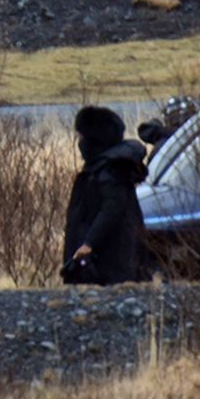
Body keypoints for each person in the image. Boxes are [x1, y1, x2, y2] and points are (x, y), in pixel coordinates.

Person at [62, 105, 149, 286]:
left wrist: (89, 243)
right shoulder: (108, 167)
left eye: (82, 137)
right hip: (107, 255)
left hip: (110, 259)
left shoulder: (110, 171)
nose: (80, 142)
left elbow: (111, 209)